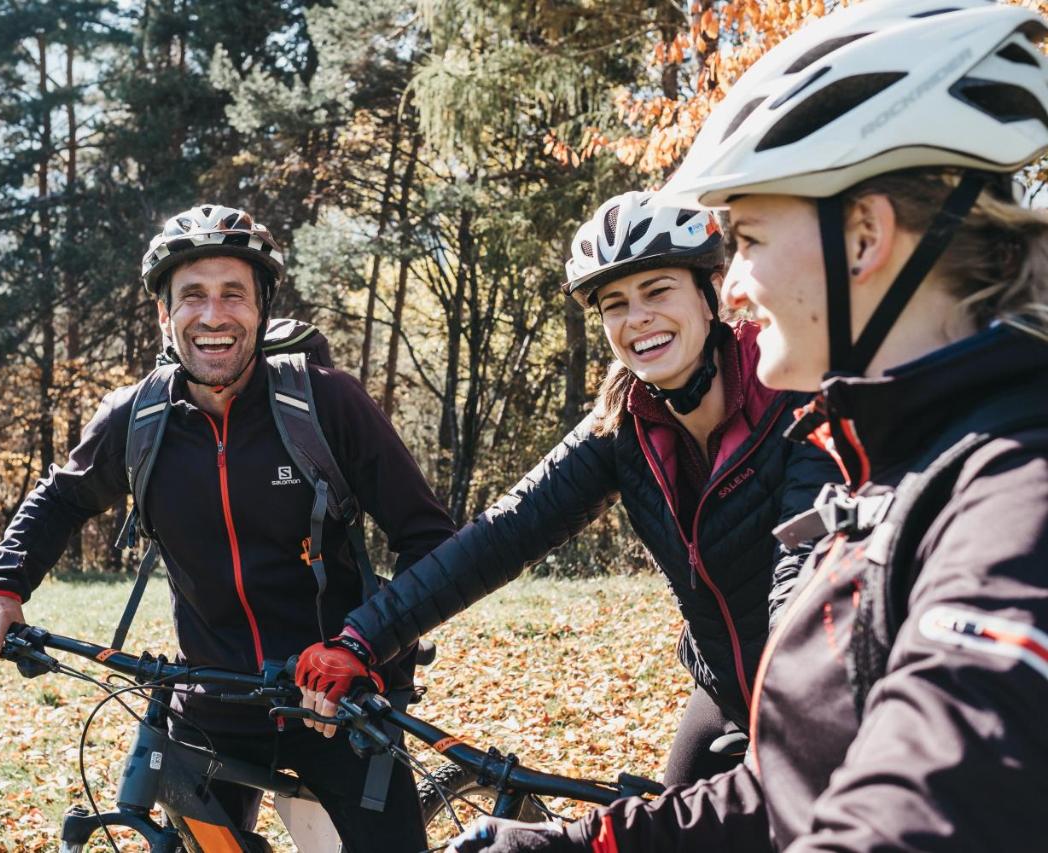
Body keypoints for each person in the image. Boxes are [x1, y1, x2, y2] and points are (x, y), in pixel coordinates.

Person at [445, 1, 1048, 850]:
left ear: (864, 237)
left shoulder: (1015, 496)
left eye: (751, 239)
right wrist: (582, 844)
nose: (732, 288)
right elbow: (804, 777)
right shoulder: (895, 470)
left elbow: (918, 809)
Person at [0, 203, 456, 852]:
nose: (213, 315)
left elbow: (430, 543)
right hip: (215, 702)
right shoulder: (138, 418)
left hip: (340, 701)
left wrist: (369, 649)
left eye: (233, 294)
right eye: (192, 295)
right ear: (164, 314)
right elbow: (62, 499)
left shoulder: (326, 402)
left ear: (261, 310)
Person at [295, 190, 838, 787]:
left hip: (824, 689)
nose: (637, 319)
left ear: (711, 294)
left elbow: (806, 565)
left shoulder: (792, 393)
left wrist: (796, 701)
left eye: (658, 291)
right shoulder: (622, 425)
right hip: (728, 694)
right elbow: (503, 534)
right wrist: (362, 640)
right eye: (615, 304)